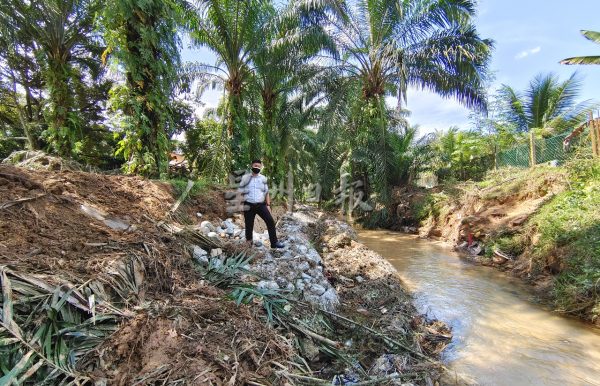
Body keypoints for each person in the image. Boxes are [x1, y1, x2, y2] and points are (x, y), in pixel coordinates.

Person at [238, 159, 284, 249]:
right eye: (255, 166)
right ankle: (249, 243)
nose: (257, 168)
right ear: (251, 166)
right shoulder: (245, 178)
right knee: (249, 224)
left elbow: (266, 192)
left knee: (270, 221)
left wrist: (268, 205)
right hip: (248, 205)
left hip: (260, 205)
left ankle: (274, 243)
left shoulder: (263, 178)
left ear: (261, 167)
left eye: (259, 166)